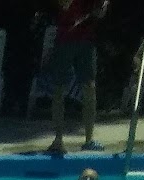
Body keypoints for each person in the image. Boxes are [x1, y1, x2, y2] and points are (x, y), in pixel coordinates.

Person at [48, 0, 109, 157]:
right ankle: (58, 139)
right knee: (59, 89)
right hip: (65, 39)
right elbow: (64, 4)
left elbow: (100, 14)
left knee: (89, 87)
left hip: (86, 40)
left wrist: (101, 6)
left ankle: (89, 139)